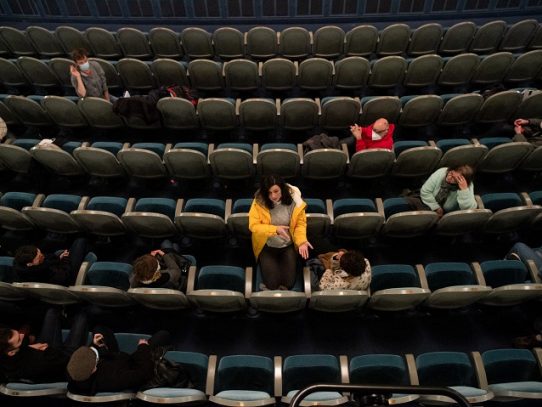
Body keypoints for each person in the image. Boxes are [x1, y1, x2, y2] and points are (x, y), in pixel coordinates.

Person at [248, 175, 313, 290]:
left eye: (276, 191)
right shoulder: (258, 202)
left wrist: (301, 241)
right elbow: (253, 226)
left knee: (288, 283)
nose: (273, 196)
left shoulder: (295, 201)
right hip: (267, 245)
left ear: (282, 189)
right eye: (269, 193)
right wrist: (275, 230)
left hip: (287, 245)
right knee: (272, 284)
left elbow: (300, 224)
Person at [66, 326, 171, 395]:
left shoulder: (76, 374)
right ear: (93, 369)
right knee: (163, 335)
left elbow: (86, 361)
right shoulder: (114, 379)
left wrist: (94, 345)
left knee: (99, 329)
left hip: (114, 360)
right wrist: (143, 348)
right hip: (132, 364)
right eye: (95, 357)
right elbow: (144, 373)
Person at [0, 307, 88, 383]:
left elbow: (22, 349)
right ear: (11, 353)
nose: (23, 335)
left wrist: (29, 347)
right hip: (64, 362)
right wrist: (47, 350)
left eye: (19, 333)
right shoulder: (36, 364)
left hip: (44, 354)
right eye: (19, 339)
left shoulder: (8, 353)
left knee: (52, 312)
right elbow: (63, 361)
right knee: (82, 316)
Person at [13, 237, 92, 286]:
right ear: (30, 264)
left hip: (59, 269)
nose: (43, 256)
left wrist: (58, 258)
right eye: (40, 257)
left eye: (40, 253)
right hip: (68, 277)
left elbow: (46, 259)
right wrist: (65, 259)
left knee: (75, 245)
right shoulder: (42, 273)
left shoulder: (21, 266)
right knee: (81, 241)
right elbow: (65, 276)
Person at [407, 165, 477, 217]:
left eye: (455, 179)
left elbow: (469, 209)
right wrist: (436, 207)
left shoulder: (466, 186)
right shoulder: (442, 172)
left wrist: (464, 190)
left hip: (449, 215)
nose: (449, 177)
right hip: (429, 203)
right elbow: (425, 192)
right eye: (451, 173)